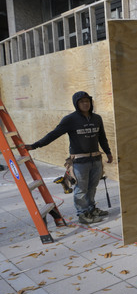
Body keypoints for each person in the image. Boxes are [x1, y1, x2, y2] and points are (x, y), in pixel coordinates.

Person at [25, 91, 113, 224]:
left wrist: (108, 152)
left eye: (87, 101)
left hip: (95, 160)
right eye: (82, 101)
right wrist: (35, 145)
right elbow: (53, 134)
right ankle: (82, 214)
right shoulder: (70, 119)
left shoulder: (97, 118)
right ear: (76, 104)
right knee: (81, 189)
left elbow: (102, 137)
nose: (85, 104)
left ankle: (91, 208)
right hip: (80, 161)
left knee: (92, 187)